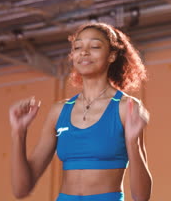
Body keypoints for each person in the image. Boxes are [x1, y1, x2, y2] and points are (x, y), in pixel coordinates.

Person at [9, 22, 152, 201]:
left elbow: (141, 197)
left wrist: (133, 142)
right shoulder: (59, 111)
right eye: (77, 47)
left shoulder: (126, 107)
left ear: (112, 55)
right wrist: (19, 132)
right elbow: (21, 189)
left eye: (94, 46)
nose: (84, 52)